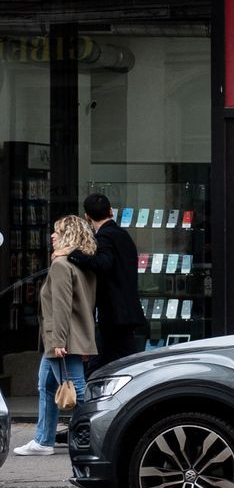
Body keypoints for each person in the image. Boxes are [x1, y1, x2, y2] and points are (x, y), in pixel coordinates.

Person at [12, 216, 98, 456]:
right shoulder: (83, 264)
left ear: (69, 235)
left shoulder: (61, 265)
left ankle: (94, 439)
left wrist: (58, 341)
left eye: (57, 232)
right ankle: (43, 440)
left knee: (77, 391)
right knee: (47, 386)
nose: (52, 236)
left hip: (62, 338)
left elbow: (61, 307)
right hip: (74, 336)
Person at [68, 193, 146, 374]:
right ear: (111, 211)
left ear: (87, 217)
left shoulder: (104, 237)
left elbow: (104, 263)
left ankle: (82, 396)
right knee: (123, 360)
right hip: (126, 312)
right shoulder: (123, 236)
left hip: (114, 314)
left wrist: (74, 254)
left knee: (102, 362)